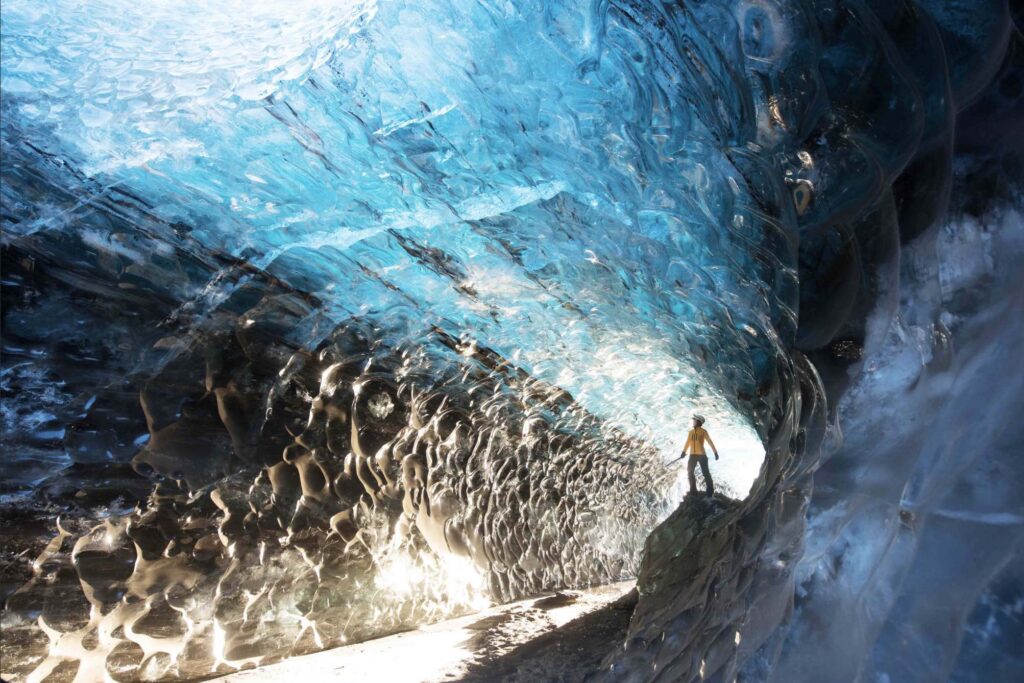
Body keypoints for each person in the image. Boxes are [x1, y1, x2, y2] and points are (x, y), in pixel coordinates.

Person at [680, 414, 718, 496]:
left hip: (702, 455)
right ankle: (693, 491)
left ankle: (710, 491)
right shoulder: (690, 432)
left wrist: (715, 452)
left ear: (698, 422)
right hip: (692, 455)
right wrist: (683, 452)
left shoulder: (703, 432)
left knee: (705, 473)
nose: (693, 421)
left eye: (694, 420)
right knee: (690, 472)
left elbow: (709, 442)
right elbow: (687, 443)